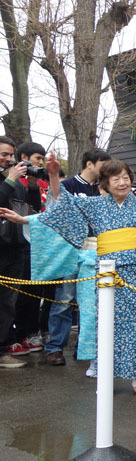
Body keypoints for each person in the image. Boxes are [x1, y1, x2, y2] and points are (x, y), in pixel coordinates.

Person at [3, 155, 136, 396]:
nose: (122, 182)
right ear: (105, 184)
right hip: (107, 268)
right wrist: (55, 176)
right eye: (116, 178)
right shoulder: (94, 204)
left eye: (126, 178)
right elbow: (62, 207)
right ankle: (104, 373)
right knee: (106, 321)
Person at [42, 148, 110, 369]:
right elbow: (55, 206)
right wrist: (53, 175)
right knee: (65, 298)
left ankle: (86, 347)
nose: (106, 169)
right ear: (89, 164)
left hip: (98, 250)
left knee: (93, 302)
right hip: (72, 249)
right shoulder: (70, 185)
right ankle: (55, 347)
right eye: (103, 163)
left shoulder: (104, 189)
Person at [0, 136, 42, 368]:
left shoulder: (15, 182)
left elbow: (32, 208)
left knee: (8, 302)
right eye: (3, 154)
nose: (7, 159)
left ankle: (3, 349)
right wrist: (10, 180)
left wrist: (33, 184)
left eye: (10, 155)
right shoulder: (8, 181)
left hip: (16, 248)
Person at [9, 141, 48, 355]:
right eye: (37, 159)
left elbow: (32, 209)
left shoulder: (34, 182)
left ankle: (30, 334)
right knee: (16, 295)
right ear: (23, 156)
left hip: (31, 242)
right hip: (11, 243)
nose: (40, 163)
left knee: (33, 292)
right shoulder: (10, 177)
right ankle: (14, 336)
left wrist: (33, 183)